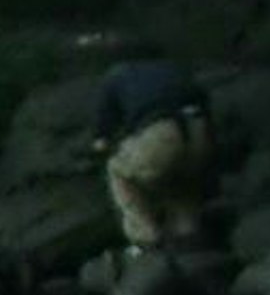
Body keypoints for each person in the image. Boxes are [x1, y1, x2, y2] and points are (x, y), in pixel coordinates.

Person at [93, 49, 218, 258]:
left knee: (117, 170)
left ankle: (146, 240)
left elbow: (101, 140)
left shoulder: (116, 77)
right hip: (198, 129)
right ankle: (189, 235)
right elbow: (203, 98)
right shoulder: (173, 69)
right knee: (179, 179)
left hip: (161, 132)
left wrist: (108, 147)